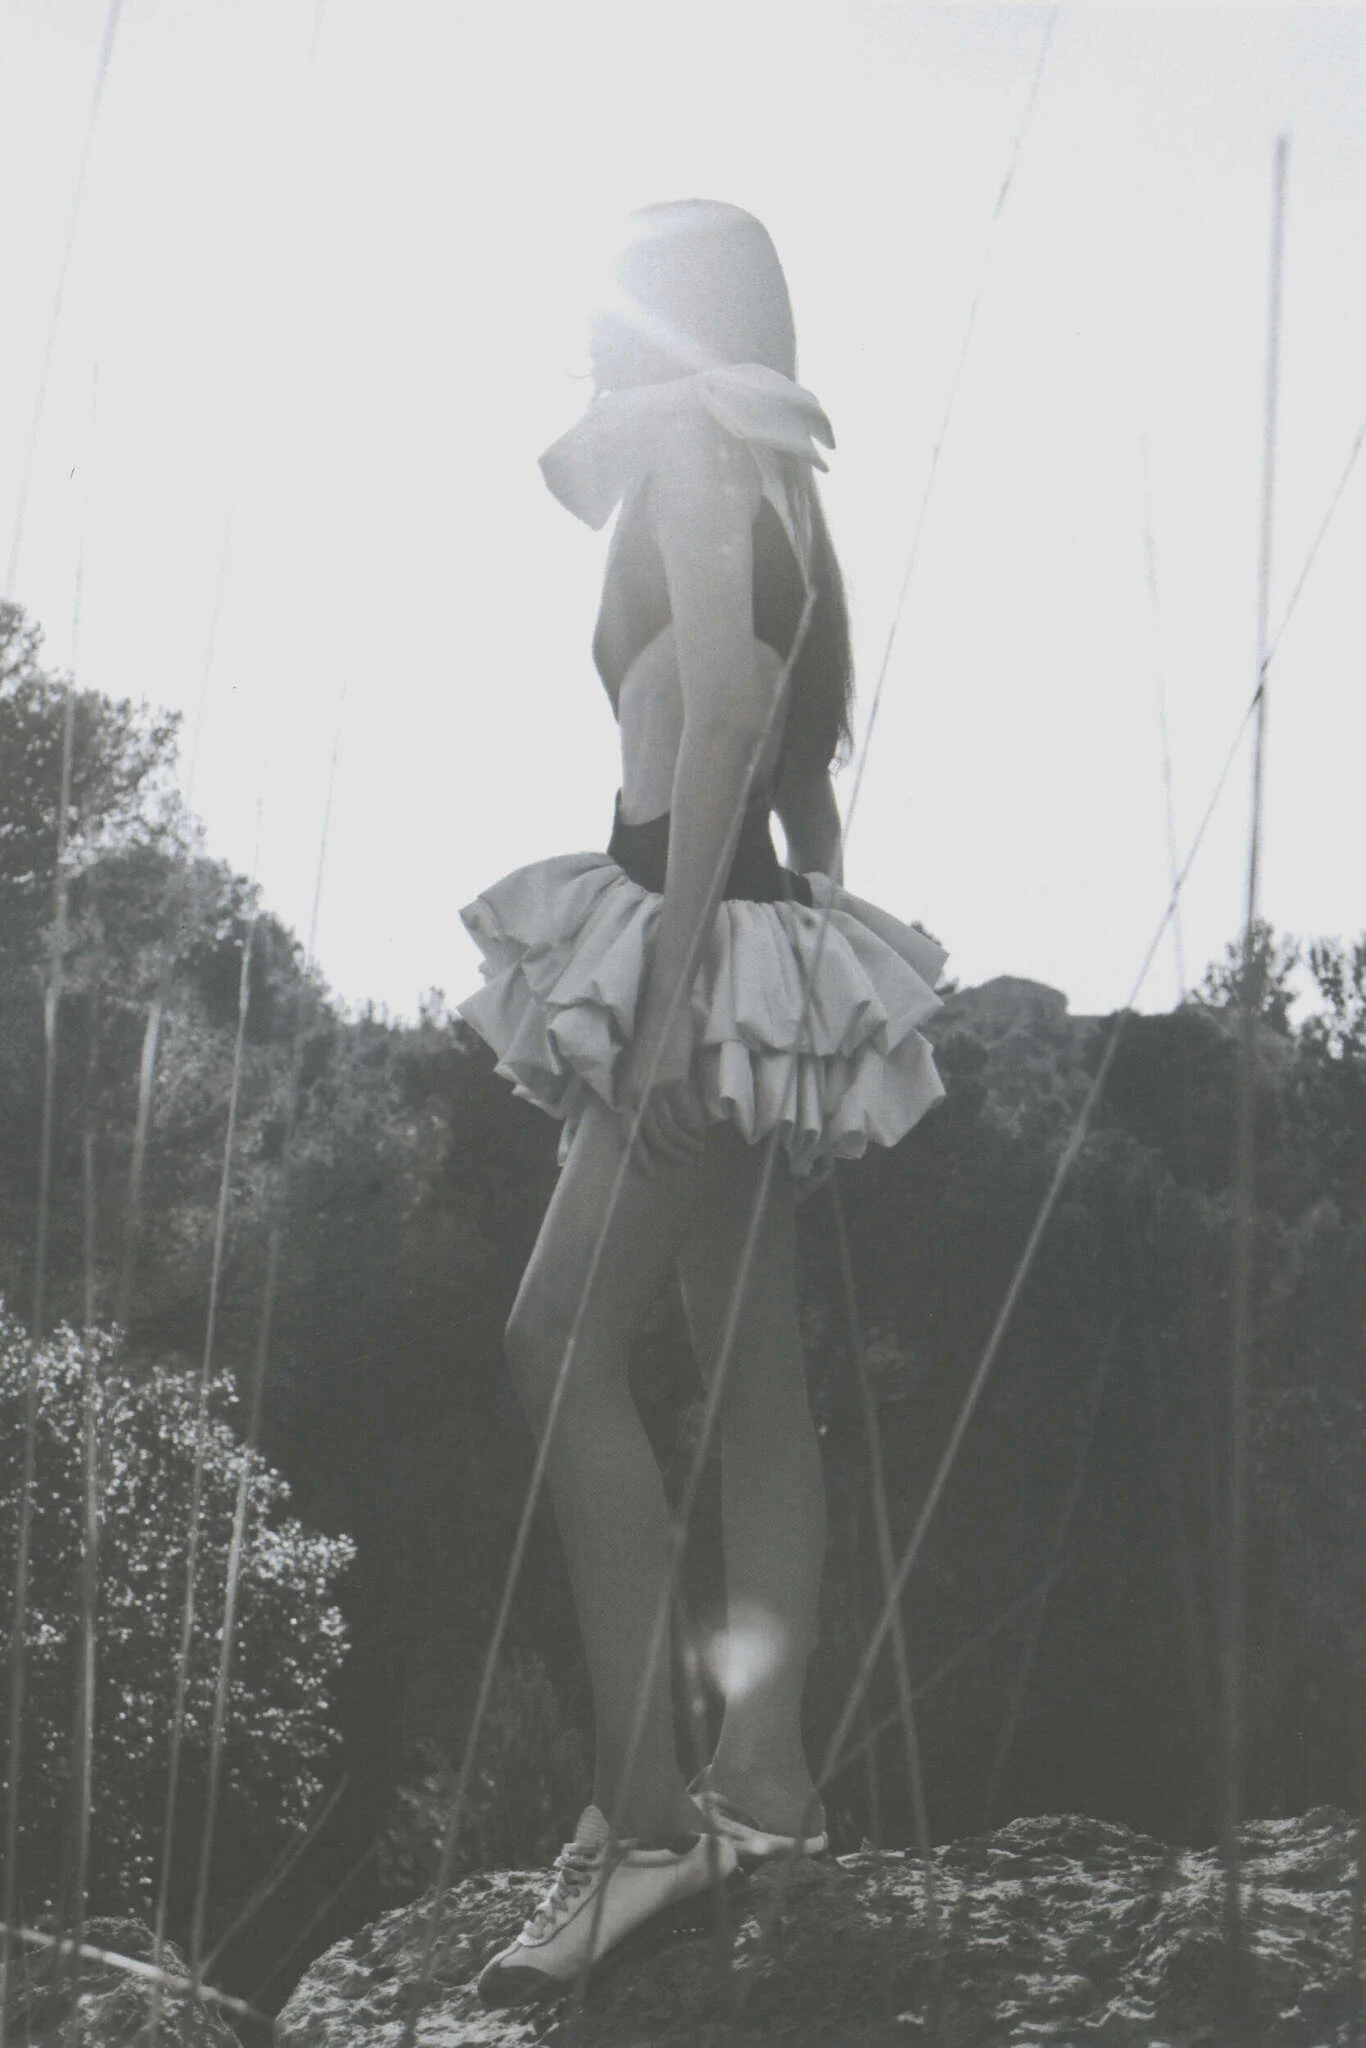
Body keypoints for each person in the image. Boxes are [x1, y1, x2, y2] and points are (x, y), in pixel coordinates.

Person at [459, 198, 947, 2006]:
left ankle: (648, 1826)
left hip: (687, 936)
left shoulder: (687, 437)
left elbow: (731, 709)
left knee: (551, 1349)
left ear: (658, 316)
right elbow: (804, 761)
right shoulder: (778, 464)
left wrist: (675, 1004)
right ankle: (767, 1786)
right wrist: (787, 978)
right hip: (744, 927)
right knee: (752, 1383)